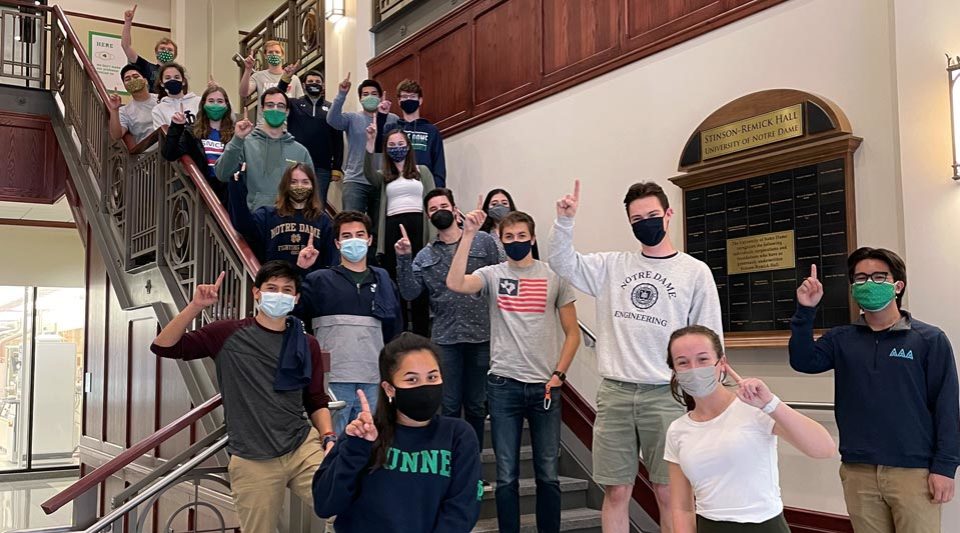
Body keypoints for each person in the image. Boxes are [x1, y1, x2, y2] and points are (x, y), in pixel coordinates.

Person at [548, 180, 723, 533]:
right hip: (616, 392)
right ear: (630, 223)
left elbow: (709, 339)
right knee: (616, 490)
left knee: (668, 490)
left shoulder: (694, 272)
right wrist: (565, 221)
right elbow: (562, 262)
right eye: (637, 218)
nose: (645, 222)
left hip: (667, 395)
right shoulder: (612, 266)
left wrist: (709, 397)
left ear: (668, 215)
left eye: (652, 215)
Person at [150, 261, 336, 533]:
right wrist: (196, 306)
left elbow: (316, 399)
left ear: (296, 299)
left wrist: (328, 436)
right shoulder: (227, 334)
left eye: (287, 290)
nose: (279, 294)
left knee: (346, 505)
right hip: (252, 458)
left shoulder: (307, 343)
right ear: (256, 293)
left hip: (301, 446)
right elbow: (164, 347)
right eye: (271, 288)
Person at [789, 248, 959, 533]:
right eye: (861, 278)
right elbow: (803, 360)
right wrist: (806, 310)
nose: (869, 283)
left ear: (897, 285)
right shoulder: (842, 339)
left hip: (914, 472)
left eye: (879, 277)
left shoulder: (928, 339)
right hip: (859, 470)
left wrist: (945, 467)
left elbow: (946, 406)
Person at [448, 209, 580, 533]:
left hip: (545, 388)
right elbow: (455, 283)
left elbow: (573, 333)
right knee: (506, 476)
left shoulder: (555, 276)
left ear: (533, 239)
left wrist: (558, 375)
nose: (516, 242)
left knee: (548, 474)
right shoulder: (493, 274)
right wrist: (467, 236)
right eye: (509, 237)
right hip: (504, 385)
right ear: (501, 241)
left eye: (522, 236)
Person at [664, 325, 836, 533]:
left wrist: (770, 403)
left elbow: (823, 448)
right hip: (710, 526)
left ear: (722, 363)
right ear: (674, 371)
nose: (694, 369)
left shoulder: (754, 409)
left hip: (765, 525)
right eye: (683, 362)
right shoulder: (678, 430)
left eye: (703, 359)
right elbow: (681, 508)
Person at [313, 333, 482, 531]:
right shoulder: (363, 434)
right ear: (389, 388)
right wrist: (355, 448)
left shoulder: (459, 435)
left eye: (432, 377)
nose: (424, 386)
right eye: (412, 379)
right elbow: (325, 504)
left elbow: (462, 509)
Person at [395, 188, 500, 447]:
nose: (439, 211)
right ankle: (451, 462)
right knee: (449, 405)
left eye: (443, 206)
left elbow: (504, 272)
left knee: (476, 405)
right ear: (428, 217)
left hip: (482, 334)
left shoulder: (483, 242)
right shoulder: (425, 255)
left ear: (454, 209)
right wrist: (404, 259)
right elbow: (409, 292)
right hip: (445, 338)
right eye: (432, 209)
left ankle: (472, 465)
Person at [295, 211, 404, 436]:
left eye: (359, 234)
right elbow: (293, 314)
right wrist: (300, 270)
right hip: (332, 380)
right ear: (337, 243)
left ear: (369, 239)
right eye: (346, 236)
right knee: (332, 444)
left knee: (371, 445)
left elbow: (394, 331)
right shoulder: (318, 280)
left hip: (373, 378)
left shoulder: (383, 280)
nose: (353, 240)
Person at [365, 121, 436, 335]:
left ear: (408, 146)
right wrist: (369, 144)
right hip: (392, 229)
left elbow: (432, 202)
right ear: (386, 150)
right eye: (392, 144)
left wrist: (432, 239)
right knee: (396, 282)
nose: (397, 147)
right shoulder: (383, 176)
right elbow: (367, 174)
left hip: (418, 228)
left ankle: (422, 333)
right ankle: (400, 332)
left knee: (419, 280)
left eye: (401, 143)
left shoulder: (422, 171)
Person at [215, 88, 313, 211]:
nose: (275, 109)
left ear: (287, 111)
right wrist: (237, 139)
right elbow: (222, 174)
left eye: (280, 106)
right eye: (270, 105)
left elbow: (311, 192)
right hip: (255, 221)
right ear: (262, 109)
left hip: (289, 222)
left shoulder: (300, 152)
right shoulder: (245, 144)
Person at [228, 162, 335, 273]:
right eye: (293, 182)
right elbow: (243, 225)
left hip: (310, 284)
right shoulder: (267, 215)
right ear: (285, 186)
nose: (299, 186)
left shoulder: (323, 220)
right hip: (276, 281)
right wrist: (236, 187)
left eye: (305, 182)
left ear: (313, 186)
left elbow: (330, 258)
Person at [327, 73, 398, 231]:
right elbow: (332, 120)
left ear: (380, 97)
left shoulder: (392, 119)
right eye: (365, 94)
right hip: (355, 180)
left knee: (378, 230)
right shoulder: (352, 118)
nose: (370, 97)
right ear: (360, 99)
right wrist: (341, 94)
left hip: (382, 180)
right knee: (351, 225)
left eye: (374, 94)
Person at [278, 68, 344, 208]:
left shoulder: (331, 108)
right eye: (310, 81)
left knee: (318, 205)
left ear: (323, 86)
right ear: (303, 85)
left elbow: (338, 139)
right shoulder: (294, 104)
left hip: (322, 167)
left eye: (317, 82)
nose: (314, 84)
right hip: (295, 164)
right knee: (293, 202)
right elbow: (276, 96)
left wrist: (336, 167)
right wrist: (285, 79)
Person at [161, 85, 234, 203]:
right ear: (204, 105)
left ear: (226, 105)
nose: (215, 105)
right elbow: (169, 154)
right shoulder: (192, 132)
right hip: (200, 190)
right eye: (211, 101)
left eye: (220, 101)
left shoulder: (234, 134)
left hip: (227, 191)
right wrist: (176, 126)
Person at [393, 79, 446, 188]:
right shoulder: (393, 129)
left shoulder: (432, 131)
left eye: (412, 96)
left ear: (420, 100)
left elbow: (439, 165)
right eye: (404, 97)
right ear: (399, 101)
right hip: (397, 185)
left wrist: (437, 190)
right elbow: (379, 151)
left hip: (425, 185)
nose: (408, 99)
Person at [239, 40, 304, 123]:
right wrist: (248, 70)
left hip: (287, 127)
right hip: (263, 128)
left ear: (282, 55)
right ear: (265, 56)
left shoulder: (294, 79)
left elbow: (300, 104)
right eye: (270, 52)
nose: (274, 54)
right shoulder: (258, 76)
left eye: (277, 52)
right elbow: (243, 93)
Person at [121, 4, 177, 92]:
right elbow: (126, 46)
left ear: (175, 55)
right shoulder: (147, 67)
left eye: (170, 50)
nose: (166, 51)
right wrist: (128, 22)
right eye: (162, 49)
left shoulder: (178, 74)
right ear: (156, 52)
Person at [479, 188, 536, 260]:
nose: (499, 207)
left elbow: (534, 257)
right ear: (487, 209)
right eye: (494, 204)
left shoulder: (524, 228)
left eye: (504, 203)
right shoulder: (482, 233)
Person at [107, 64, 157, 144]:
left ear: (145, 80)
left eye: (136, 76)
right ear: (125, 86)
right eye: (127, 79)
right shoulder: (124, 111)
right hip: (148, 153)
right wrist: (114, 110)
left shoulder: (161, 99)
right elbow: (116, 136)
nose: (132, 80)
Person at [151, 62, 200, 130]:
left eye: (176, 77)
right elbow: (162, 135)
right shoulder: (158, 110)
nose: (172, 80)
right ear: (162, 83)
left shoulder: (198, 101)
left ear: (183, 81)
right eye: (168, 78)